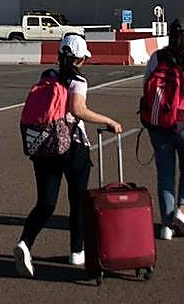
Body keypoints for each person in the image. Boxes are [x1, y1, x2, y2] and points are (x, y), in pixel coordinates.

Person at [14, 34, 123, 278]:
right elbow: (78, 110)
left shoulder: (47, 77)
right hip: (72, 146)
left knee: (46, 203)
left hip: (44, 145)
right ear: (81, 59)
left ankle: (25, 243)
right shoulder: (78, 80)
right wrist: (109, 121)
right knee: (78, 200)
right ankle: (76, 252)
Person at [142, 17, 184, 240]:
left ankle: (166, 226)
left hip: (157, 123)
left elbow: (145, 87)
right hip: (183, 122)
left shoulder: (156, 57)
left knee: (165, 173)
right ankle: (182, 210)